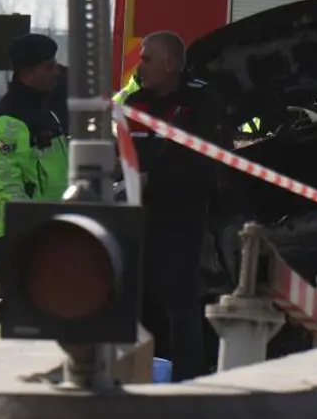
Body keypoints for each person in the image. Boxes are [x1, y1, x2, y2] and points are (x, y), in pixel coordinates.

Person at [113, 31, 229, 380]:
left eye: (147, 58)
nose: (140, 65)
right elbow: (118, 153)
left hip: (180, 220)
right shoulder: (134, 104)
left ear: (171, 63)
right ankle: (131, 377)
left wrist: (154, 180)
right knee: (129, 303)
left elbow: (209, 164)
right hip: (134, 220)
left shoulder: (201, 101)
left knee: (180, 306)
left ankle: (187, 382)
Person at [0, 34, 69, 251]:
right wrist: (28, 224)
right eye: (49, 67)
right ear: (27, 73)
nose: (57, 72)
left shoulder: (44, 112)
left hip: (48, 226)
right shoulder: (8, 122)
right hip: (22, 233)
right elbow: (5, 177)